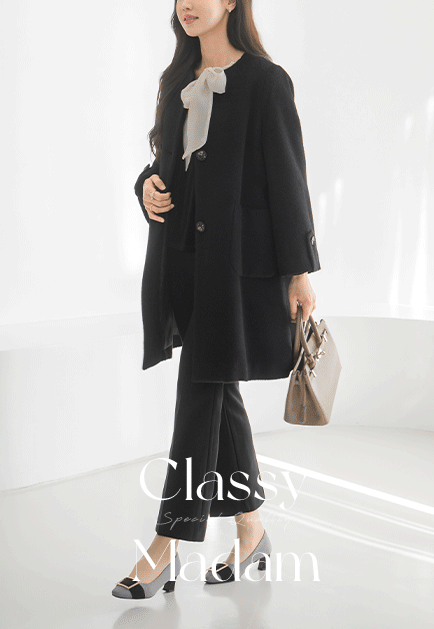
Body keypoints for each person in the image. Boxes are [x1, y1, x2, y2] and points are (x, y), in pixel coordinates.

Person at [112, 0, 320, 600]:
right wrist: (146, 185)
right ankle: (251, 532)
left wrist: (300, 272)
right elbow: (167, 161)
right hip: (180, 260)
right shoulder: (177, 79)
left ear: (231, 1)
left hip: (236, 268)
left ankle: (166, 543)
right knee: (216, 388)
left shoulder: (266, 82)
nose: (187, 4)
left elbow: (288, 180)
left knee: (200, 389)